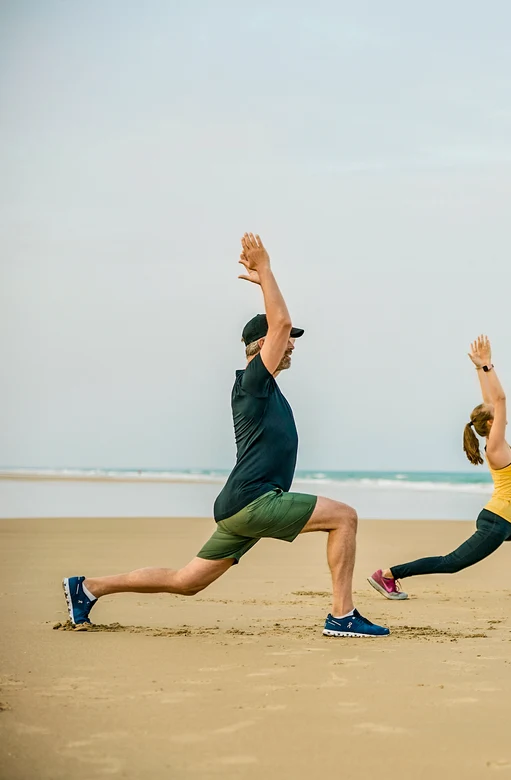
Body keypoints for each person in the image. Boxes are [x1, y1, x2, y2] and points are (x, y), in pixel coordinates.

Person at [63, 233, 389, 638]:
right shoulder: (253, 382)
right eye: (287, 340)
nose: (292, 346)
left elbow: (281, 327)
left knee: (188, 581)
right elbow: (281, 321)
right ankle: (342, 615)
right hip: (254, 500)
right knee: (344, 517)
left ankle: (89, 587)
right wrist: (266, 270)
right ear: (262, 344)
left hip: (240, 502)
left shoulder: (263, 389)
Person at [367, 335, 511, 600]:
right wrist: (489, 367)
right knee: (451, 563)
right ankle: (388, 575)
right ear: (490, 424)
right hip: (497, 522)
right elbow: (499, 399)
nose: (504, 417)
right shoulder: (495, 447)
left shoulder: (497, 441)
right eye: (498, 416)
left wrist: (479, 368)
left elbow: (491, 400)